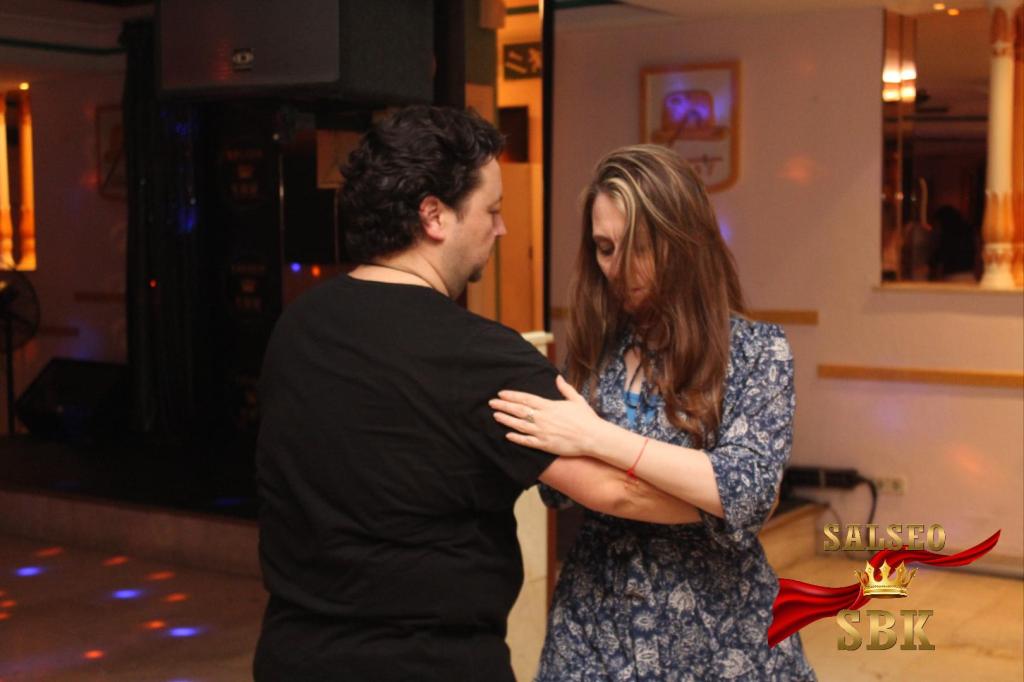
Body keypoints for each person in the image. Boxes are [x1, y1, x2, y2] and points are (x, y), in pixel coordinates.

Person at [252, 108, 698, 682]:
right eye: (492, 210)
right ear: (434, 216)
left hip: (292, 656)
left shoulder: (297, 326)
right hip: (428, 663)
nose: (501, 228)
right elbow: (620, 492)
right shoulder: (482, 357)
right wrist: (732, 501)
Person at [490, 144, 817, 680]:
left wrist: (596, 438)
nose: (619, 269)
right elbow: (557, 486)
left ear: (686, 241)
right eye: (604, 248)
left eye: (641, 247)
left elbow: (748, 490)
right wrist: (704, 496)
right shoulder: (595, 350)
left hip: (721, 633)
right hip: (596, 623)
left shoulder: (757, 351)